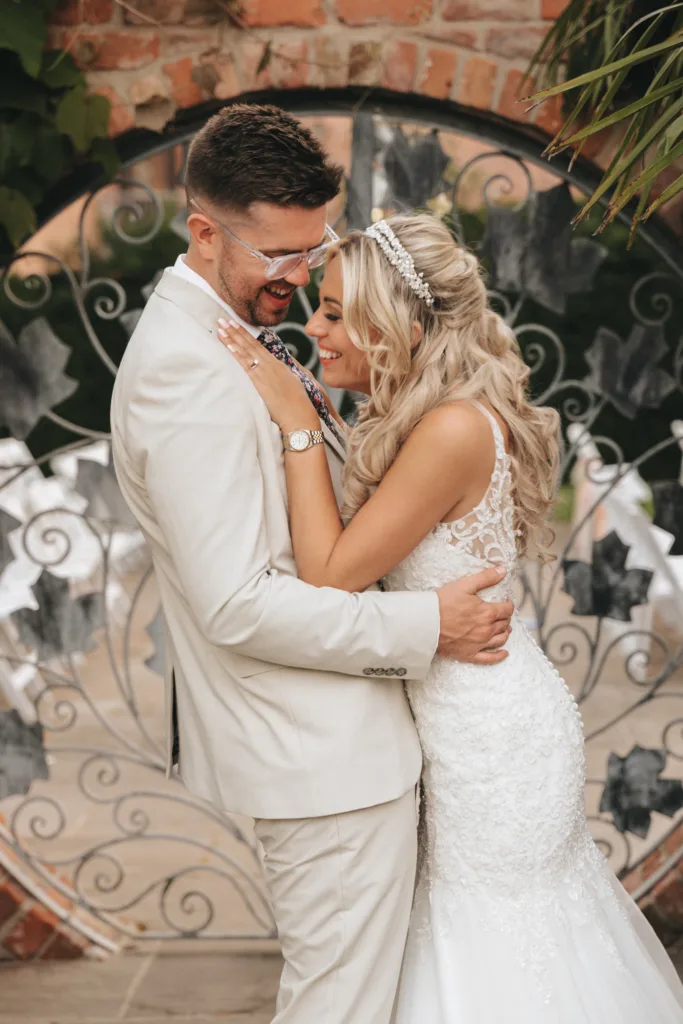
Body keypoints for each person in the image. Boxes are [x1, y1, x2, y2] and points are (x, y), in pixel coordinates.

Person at [217, 212, 683, 1023]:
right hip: (464, 717)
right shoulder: (426, 415)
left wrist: (295, 421)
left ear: (395, 321)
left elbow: (329, 573)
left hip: (487, 744)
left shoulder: (452, 428)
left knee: (496, 954)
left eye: (334, 311)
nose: (314, 326)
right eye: (319, 307)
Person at [110, 104, 514, 1024]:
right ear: (204, 231)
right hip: (321, 762)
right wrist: (427, 625)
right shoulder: (186, 371)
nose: (299, 277)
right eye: (276, 256)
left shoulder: (233, 337)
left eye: (312, 248)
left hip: (350, 751)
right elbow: (239, 604)